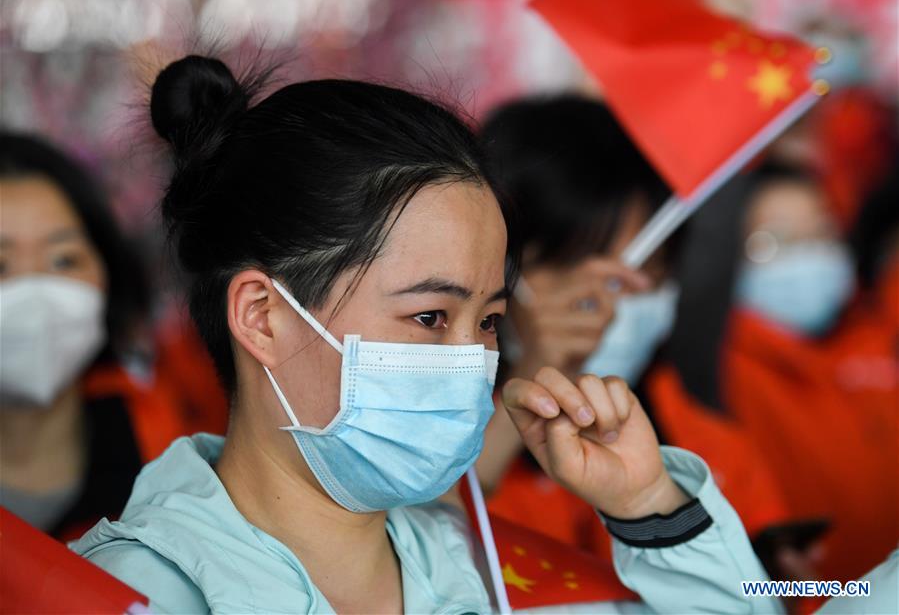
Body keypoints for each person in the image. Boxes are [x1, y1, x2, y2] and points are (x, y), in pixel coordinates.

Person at [71, 56, 780, 614]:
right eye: (430, 318)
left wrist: (650, 509)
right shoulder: (127, 596)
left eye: (491, 322)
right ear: (262, 315)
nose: (473, 361)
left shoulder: (490, 569)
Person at [475, 96, 809, 582]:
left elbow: (800, 594)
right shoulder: (431, 434)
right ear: (499, 269)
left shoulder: (713, 455)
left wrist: (770, 584)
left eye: (644, 270)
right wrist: (528, 387)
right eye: (573, 266)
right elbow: (421, 542)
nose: (608, 305)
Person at [670, 162, 898, 583]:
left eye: (821, 233)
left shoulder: (876, 338)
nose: (809, 254)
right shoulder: (713, 363)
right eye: (776, 241)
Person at [0, 133, 186, 540]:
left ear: (109, 276)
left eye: (63, 259)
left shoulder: (168, 456)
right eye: (1, 266)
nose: (35, 292)